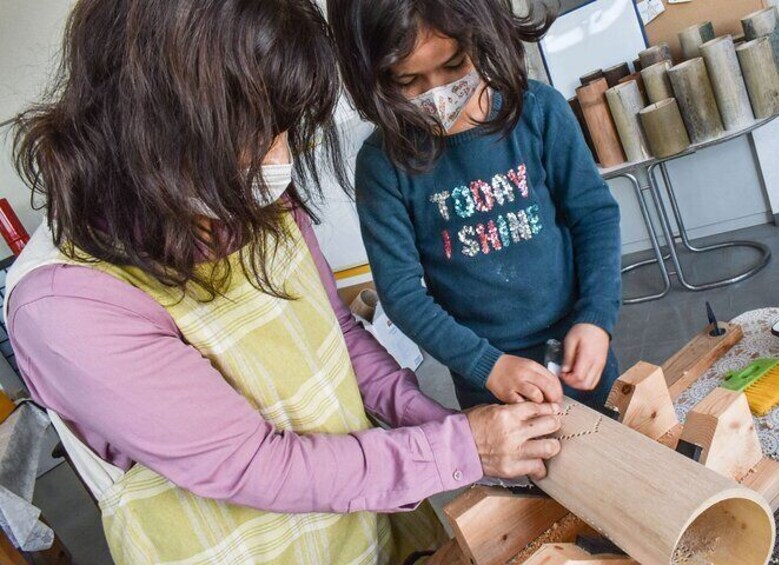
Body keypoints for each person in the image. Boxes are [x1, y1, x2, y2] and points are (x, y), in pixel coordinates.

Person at [5, 1, 563, 563]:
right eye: (258, 128)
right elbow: (253, 464)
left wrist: (452, 426)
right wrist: (460, 448)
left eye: (283, 126)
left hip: (369, 517)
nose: (281, 154)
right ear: (158, 123)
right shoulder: (66, 303)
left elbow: (340, 336)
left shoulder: (248, 196)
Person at [327, 0, 623, 410]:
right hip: (487, 380)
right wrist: (487, 366)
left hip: (579, 348)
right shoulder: (383, 165)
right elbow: (402, 293)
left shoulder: (539, 111)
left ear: (487, 38)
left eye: (455, 66)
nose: (438, 94)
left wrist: (597, 318)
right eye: (409, 79)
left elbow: (595, 217)